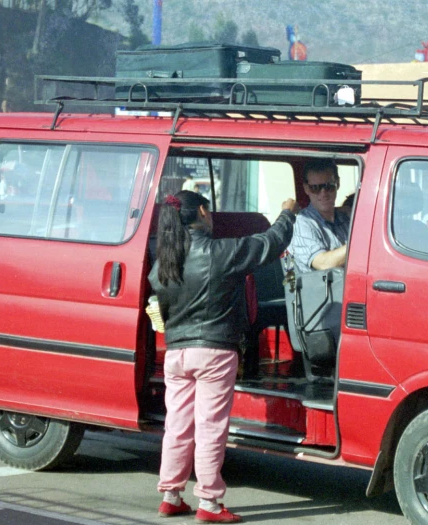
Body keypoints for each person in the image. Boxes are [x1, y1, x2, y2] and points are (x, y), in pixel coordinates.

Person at [148, 190, 296, 523]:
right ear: (201, 211)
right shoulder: (218, 253)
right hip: (214, 352)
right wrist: (287, 214)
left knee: (177, 426)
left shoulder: (163, 264)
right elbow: (268, 243)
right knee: (210, 427)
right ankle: (210, 503)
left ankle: (171, 495)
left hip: (176, 353)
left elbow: (161, 309)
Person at [290, 159, 349, 274]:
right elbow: (323, 263)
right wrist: (360, 244)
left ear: (338, 184)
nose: (323, 193)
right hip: (322, 290)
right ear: (306, 189)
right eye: (315, 188)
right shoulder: (302, 223)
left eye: (329, 186)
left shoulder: (346, 217)